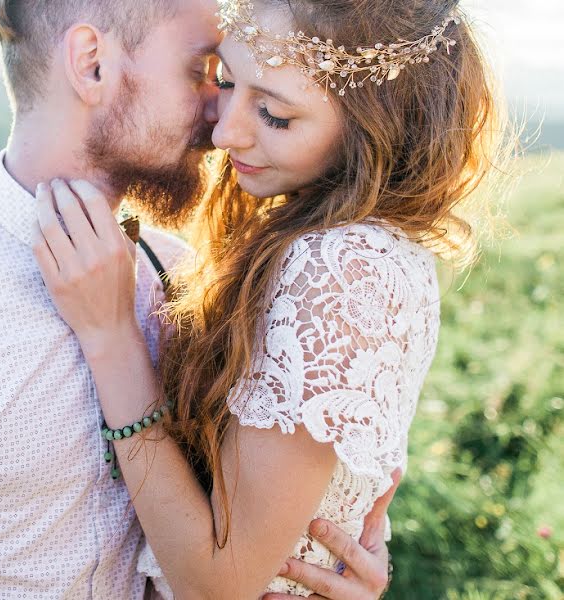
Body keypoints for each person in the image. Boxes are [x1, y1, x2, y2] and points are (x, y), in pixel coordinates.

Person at [0, 0, 395, 598]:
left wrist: (312, 576)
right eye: (204, 71)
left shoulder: (185, 281)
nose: (221, 116)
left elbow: (222, 554)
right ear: (92, 63)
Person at [33, 0, 509, 598]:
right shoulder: (356, 244)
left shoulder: (339, 267)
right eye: (226, 81)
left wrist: (111, 339)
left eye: (275, 114)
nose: (225, 130)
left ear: (375, 127)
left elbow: (219, 584)